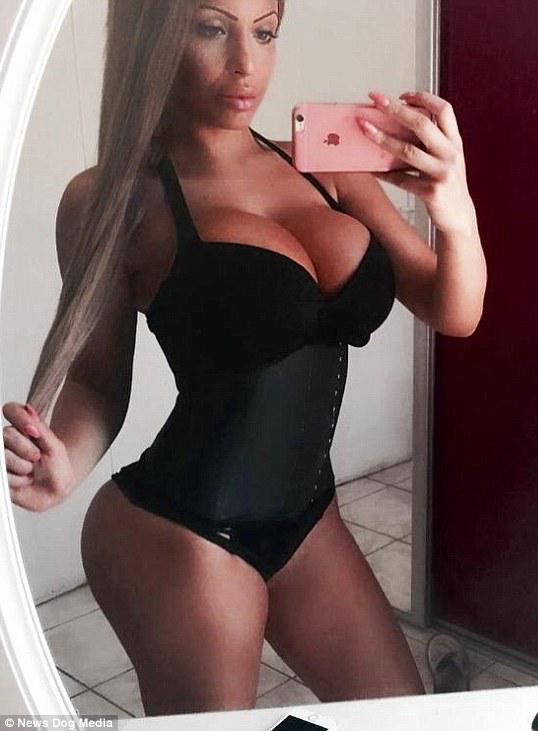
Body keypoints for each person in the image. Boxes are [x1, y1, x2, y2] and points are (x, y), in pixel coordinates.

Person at [1, 0, 487, 716]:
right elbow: (100, 378)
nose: (246, 64)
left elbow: (455, 310)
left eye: (264, 31)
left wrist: (454, 205)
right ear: (152, 36)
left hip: (308, 516)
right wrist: (64, 462)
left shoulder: (325, 165)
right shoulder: (114, 199)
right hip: (181, 530)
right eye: (211, 28)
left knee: (403, 717)